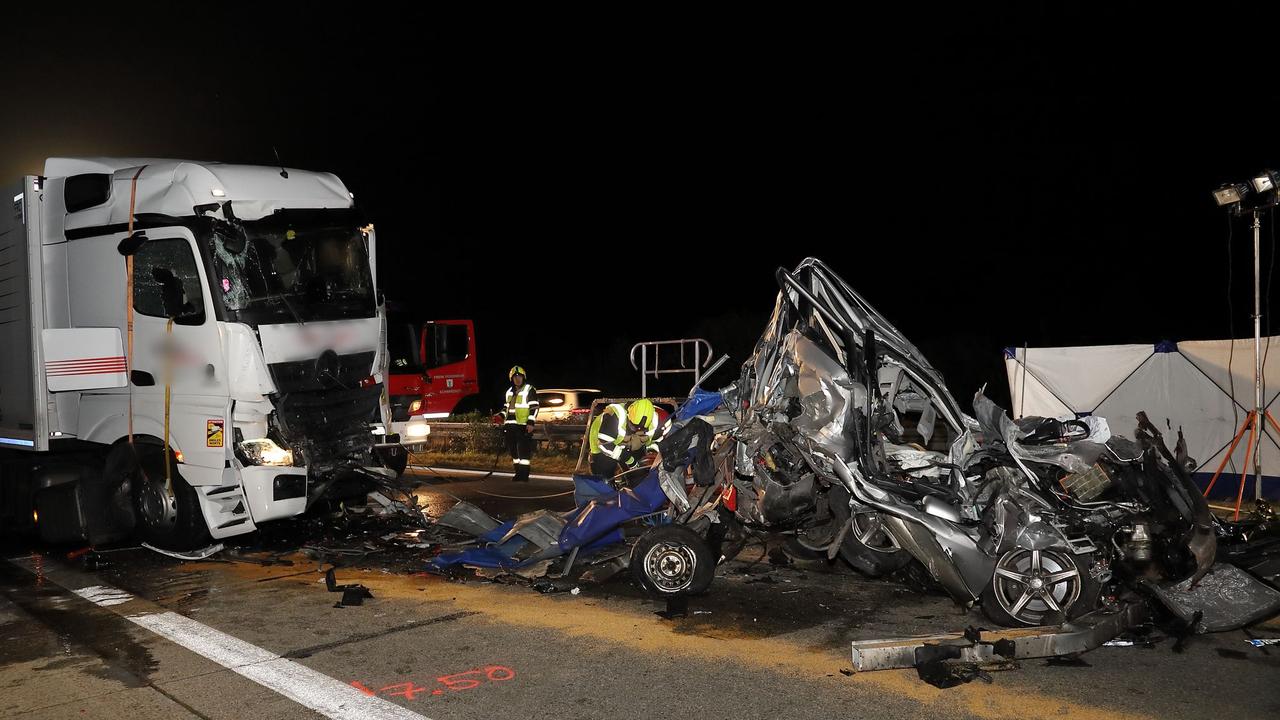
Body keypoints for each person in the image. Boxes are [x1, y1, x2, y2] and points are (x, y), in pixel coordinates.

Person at [588, 398, 666, 485]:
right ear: (629, 414)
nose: (635, 431)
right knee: (605, 480)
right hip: (602, 444)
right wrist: (630, 460)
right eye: (633, 426)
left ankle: (629, 487)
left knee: (637, 478)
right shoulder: (615, 416)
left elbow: (654, 443)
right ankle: (608, 489)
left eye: (641, 429)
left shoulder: (656, 422)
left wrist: (658, 456)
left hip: (626, 445)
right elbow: (605, 445)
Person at [499, 365, 538, 482]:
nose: (517, 379)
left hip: (523, 425)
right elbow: (506, 408)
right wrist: (500, 416)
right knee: (513, 451)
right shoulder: (509, 392)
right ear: (511, 379)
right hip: (510, 426)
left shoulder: (529, 389)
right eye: (515, 377)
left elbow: (535, 407)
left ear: (523, 377)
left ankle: (524, 475)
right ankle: (517, 473)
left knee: (523, 452)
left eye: (519, 376)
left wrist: (531, 423)